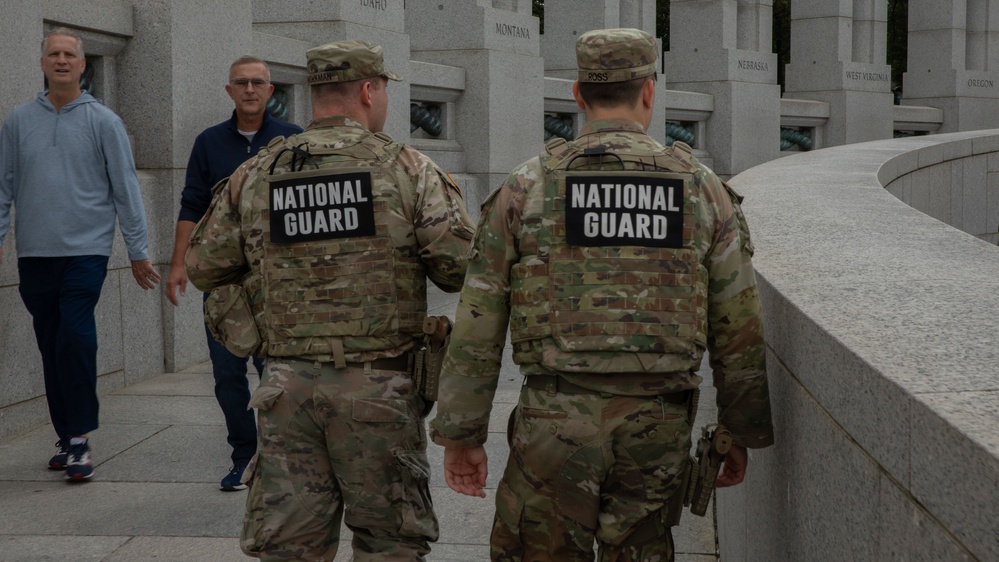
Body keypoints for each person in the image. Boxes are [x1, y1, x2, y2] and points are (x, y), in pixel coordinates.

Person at [430, 28, 775, 561]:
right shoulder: (703, 188)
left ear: (577, 93)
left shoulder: (528, 185)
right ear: (649, 91)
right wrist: (740, 429)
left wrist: (461, 432)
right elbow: (739, 324)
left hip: (552, 420)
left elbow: (479, 319)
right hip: (657, 424)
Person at [185, 39, 475, 560]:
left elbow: (204, 266)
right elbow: (458, 269)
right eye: (384, 89)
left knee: (291, 548)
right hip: (380, 389)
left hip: (285, 389)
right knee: (390, 544)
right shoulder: (409, 168)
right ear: (368, 90)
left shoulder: (255, 174)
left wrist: (253, 326)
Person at [0, 27, 159, 482]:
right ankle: (66, 435)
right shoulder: (17, 121)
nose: (63, 60)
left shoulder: (103, 121)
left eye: (70, 54)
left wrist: (138, 251)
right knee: (51, 345)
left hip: (86, 252)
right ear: (44, 63)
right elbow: (3, 186)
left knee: (75, 335)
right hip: (34, 255)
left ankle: (80, 438)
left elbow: (126, 191)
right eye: (55, 53)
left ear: (83, 64)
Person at [165, 55, 302, 492]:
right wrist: (177, 264)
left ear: (270, 91)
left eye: (257, 82)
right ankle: (243, 454)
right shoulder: (208, 143)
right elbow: (191, 204)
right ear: (229, 91)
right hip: (224, 280)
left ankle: (276, 455)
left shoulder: (293, 139)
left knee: (275, 370)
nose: (249, 89)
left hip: (278, 280)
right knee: (227, 372)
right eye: (241, 82)